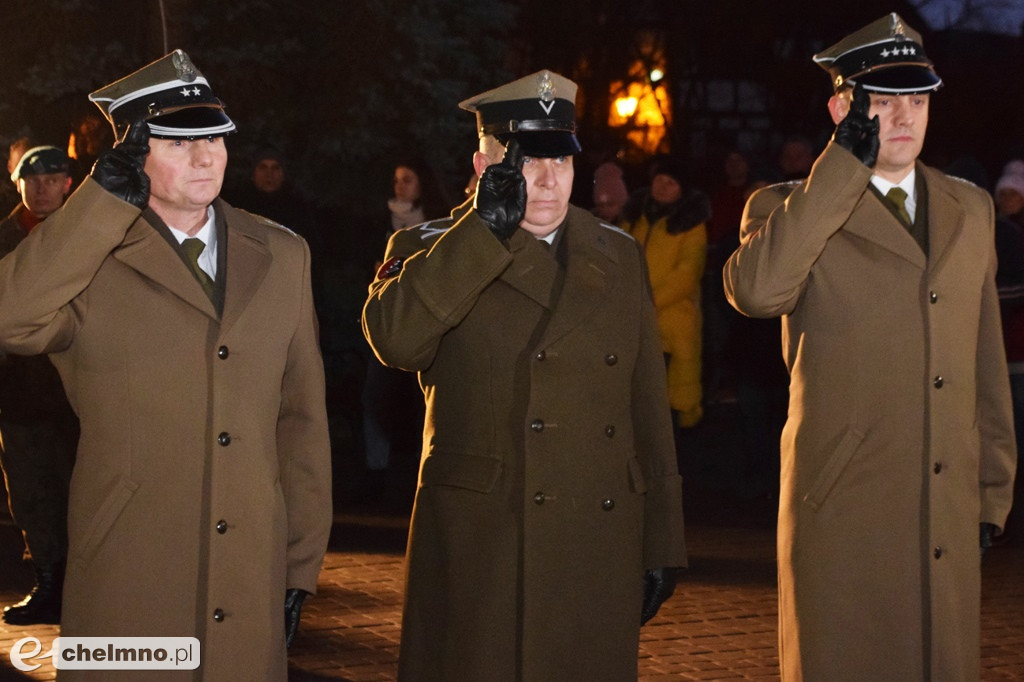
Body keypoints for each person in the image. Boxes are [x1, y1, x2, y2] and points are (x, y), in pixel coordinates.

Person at [0, 50, 331, 678]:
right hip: (130, 573)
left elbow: (301, 420)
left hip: (247, 572)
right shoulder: (89, 258)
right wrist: (98, 204)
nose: (206, 156)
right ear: (132, 155)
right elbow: (10, 318)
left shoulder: (283, 254)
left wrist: (298, 564)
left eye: (214, 137)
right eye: (178, 142)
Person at [362, 69, 687, 681]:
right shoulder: (426, 248)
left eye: (559, 162)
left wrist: (662, 539)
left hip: (595, 535)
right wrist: (482, 231)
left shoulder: (617, 255)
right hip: (483, 541)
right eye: (525, 162)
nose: (545, 179)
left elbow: (646, 404)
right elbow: (395, 342)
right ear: (484, 167)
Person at [724, 14, 1016, 680]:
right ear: (840, 109)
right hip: (844, 509)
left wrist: (991, 494)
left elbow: (984, 360)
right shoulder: (785, 207)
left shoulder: (969, 209)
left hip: (945, 506)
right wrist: (838, 170)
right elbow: (758, 291)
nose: (905, 116)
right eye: (882, 101)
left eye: (917, 99)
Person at [0, 146, 79, 625]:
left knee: (88, 492)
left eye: (53, 179)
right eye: (35, 180)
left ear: (68, 184)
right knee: (32, 494)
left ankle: (92, 586)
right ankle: (48, 582)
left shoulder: (87, 235)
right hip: (20, 393)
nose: (43, 188)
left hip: (81, 392)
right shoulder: (5, 239)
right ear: (19, 185)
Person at [619, 155, 710, 429]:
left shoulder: (691, 224)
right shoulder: (636, 215)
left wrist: (647, 302)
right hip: (632, 323)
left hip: (671, 327)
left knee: (665, 409)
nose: (663, 186)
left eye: (671, 183)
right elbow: (620, 255)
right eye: (660, 180)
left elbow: (686, 275)